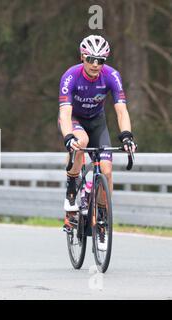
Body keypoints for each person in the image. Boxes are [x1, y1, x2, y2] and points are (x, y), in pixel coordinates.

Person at [58, 35, 137, 247]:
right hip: (75, 120)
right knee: (80, 141)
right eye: (91, 59)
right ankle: (72, 185)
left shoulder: (112, 76)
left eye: (100, 61)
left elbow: (121, 111)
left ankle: (101, 219)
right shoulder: (70, 76)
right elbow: (65, 114)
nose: (95, 64)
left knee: (107, 171)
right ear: (82, 57)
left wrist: (127, 135)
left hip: (98, 122)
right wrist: (68, 138)